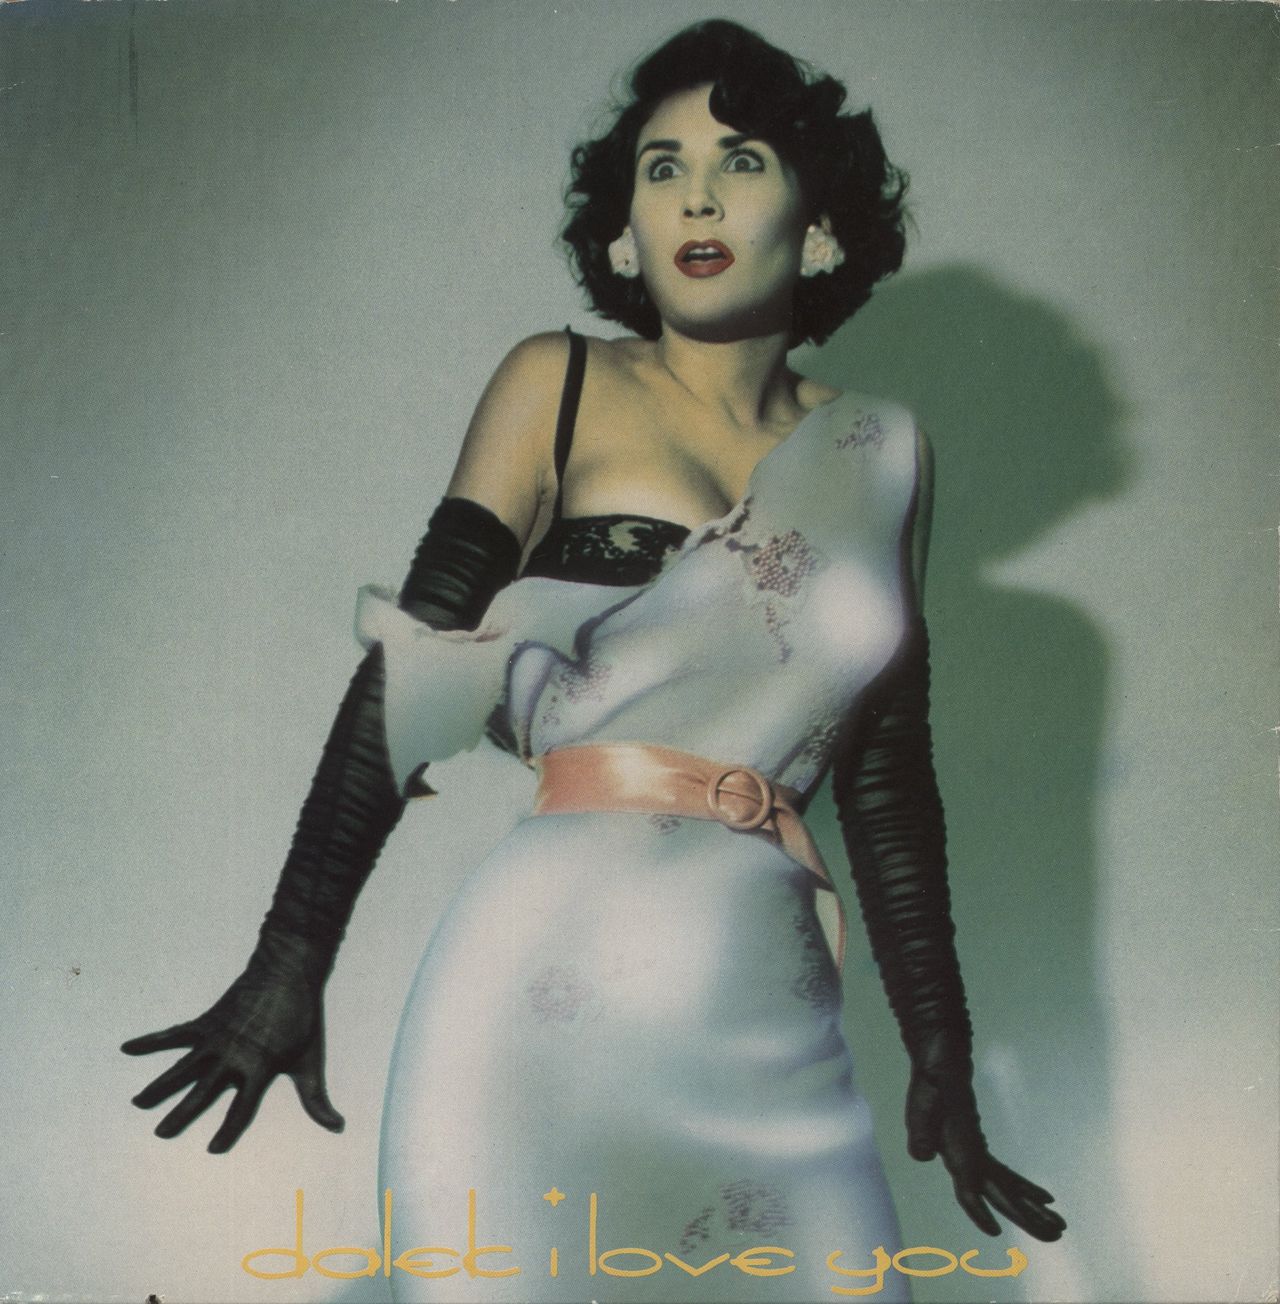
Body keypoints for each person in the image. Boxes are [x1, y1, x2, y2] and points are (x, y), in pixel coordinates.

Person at [122, 19, 1065, 1300]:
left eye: (739, 162)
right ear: (622, 234)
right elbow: (411, 671)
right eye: (661, 168)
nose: (695, 198)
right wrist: (292, 954)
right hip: (533, 1001)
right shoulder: (554, 382)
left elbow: (887, 775)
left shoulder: (882, 452)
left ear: (819, 226)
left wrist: (940, 1050)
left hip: (769, 1011)